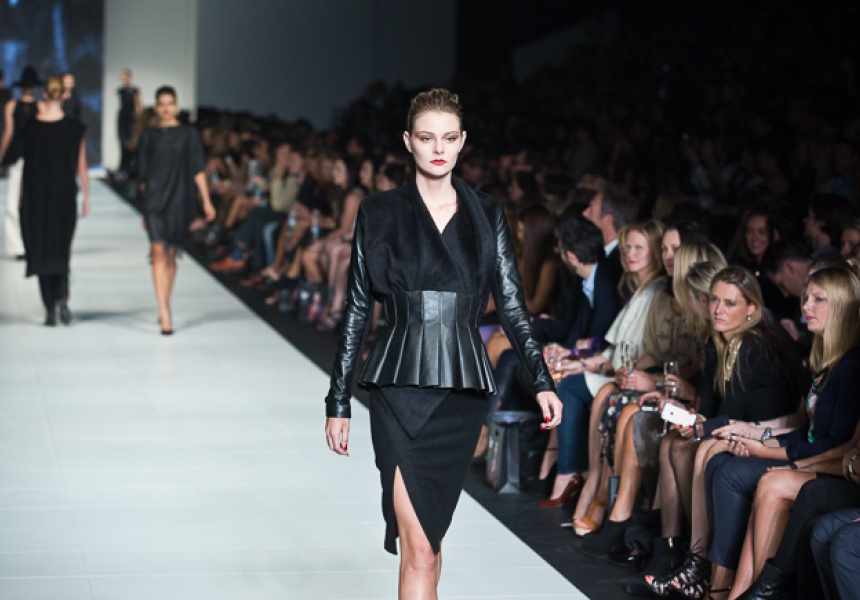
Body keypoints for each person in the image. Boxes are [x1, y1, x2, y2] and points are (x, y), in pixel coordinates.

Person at [324, 88, 561, 600]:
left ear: (462, 141)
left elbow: (512, 305)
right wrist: (338, 400)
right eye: (427, 137)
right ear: (408, 141)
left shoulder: (487, 214)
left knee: (430, 539)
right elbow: (358, 309)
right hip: (397, 387)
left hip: (460, 392)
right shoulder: (378, 211)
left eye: (449, 138)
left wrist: (540, 379)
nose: (438, 148)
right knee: (420, 550)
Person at [137, 86, 215, 334]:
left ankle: (165, 302)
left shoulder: (189, 134)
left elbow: (198, 169)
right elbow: (143, 178)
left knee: (171, 253)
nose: (166, 108)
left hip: (180, 199)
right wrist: (144, 210)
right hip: (154, 200)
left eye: (170, 103)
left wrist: (206, 201)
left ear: (177, 106)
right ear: (156, 107)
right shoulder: (148, 137)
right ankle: (164, 313)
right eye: (161, 104)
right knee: (158, 252)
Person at [19, 75, 89, 325]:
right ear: (64, 94)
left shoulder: (30, 127)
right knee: (61, 247)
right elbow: (81, 164)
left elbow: (27, 166)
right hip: (64, 195)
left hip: (37, 195)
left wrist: (21, 197)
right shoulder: (74, 127)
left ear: (45, 94)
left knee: (41, 247)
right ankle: (61, 299)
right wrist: (87, 196)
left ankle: (50, 306)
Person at [0, 66, 41, 259]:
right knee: (30, 201)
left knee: (14, 201)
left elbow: (9, 133)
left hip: (21, 157)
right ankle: (29, 244)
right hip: (33, 158)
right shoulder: (40, 107)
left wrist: (1, 156)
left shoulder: (12, 105)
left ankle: (18, 246)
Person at [116, 68, 141, 178]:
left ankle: (130, 168)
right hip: (122, 118)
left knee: (131, 142)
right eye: (122, 77)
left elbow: (137, 106)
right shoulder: (120, 91)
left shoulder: (134, 91)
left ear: (129, 77)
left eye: (125, 77)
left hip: (131, 119)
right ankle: (124, 167)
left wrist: (138, 121)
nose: (124, 79)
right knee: (122, 141)